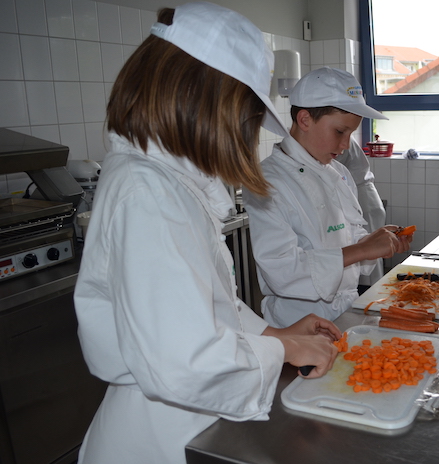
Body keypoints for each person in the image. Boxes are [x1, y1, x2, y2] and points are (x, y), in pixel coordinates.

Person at [73, 4, 341, 464]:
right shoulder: (148, 191)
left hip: (193, 425)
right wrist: (282, 348)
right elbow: (184, 361)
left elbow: (202, 302)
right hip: (159, 436)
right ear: (205, 98)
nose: (243, 134)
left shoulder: (168, 179)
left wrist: (273, 332)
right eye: (245, 117)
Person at [243, 67, 412, 329]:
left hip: (347, 313)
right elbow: (282, 271)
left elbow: (348, 239)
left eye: (350, 134)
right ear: (305, 120)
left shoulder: (339, 173)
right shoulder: (267, 181)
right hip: (297, 326)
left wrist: (375, 242)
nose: (345, 145)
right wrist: (362, 249)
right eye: (340, 132)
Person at [336, 137, 387, 287]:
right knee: (371, 250)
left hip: (363, 201)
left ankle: (370, 291)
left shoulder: (338, 141)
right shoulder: (338, 136)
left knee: (370, 250)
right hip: (365, 197)